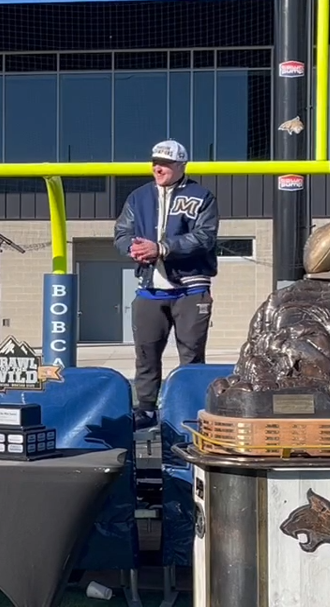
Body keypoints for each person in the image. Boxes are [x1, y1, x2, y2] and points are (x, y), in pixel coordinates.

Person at [113, 140, 219, 430]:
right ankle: (146, 411)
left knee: (192, 357)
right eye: (155, 162)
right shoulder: (138, 197)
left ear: (181, 165)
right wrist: (132, 248)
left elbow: (205, 237)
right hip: (150, 289)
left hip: (191, 288)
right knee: (146, 355)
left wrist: (161, 248)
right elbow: (122, 232)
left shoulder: (202, 196)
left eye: (166, 163)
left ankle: (191, 410)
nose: (158, 167)